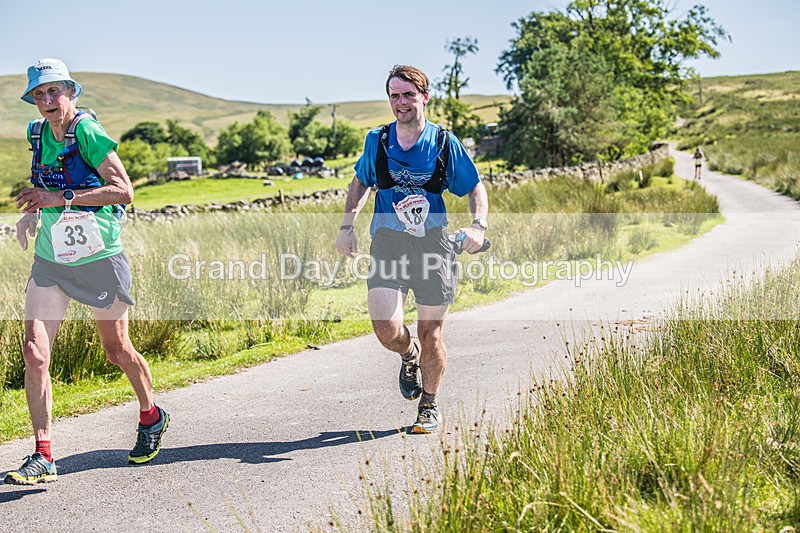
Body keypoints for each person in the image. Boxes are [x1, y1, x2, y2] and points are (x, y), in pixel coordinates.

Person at [4, 59, 169, 485]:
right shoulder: (37, 133)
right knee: (34, 351)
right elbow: (43, 180)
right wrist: (33, 213)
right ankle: (43, 454)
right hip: (52, 260)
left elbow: (124, 191)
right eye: (39, 94)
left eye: (54, 91)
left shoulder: (88, 132)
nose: (46, 100)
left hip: (99, 258)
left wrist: (60, 197)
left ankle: (151, 415)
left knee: (116, 351)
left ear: (71, 93)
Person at [334, 65, 489, 434]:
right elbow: (360, 183)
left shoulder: (443, 143)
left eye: (408, 94)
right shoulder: (378, 140)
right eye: (394, 95)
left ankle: (429, 406)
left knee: (431, 331)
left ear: (424, 96)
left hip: (433, 243)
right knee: (386, 328)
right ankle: (408, 356)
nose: (401, 102)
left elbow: (475, 188)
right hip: (388, 242)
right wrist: (346, 226)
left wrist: (478, 227)